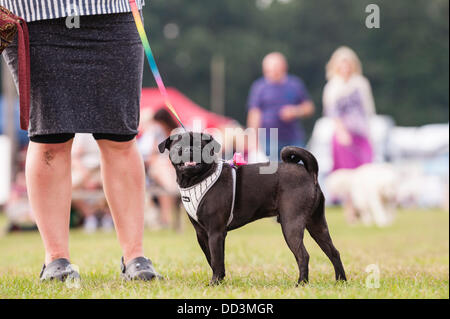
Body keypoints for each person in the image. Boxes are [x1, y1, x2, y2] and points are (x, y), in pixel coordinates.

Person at [1, 0, 161, 281]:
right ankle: (55, 259)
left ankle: (135, 257)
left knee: (119, 137)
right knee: (49, 137)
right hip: (33, 16)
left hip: (114, 14)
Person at [246, 52, 315, 159]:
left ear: (284, 67)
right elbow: (254, 114)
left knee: (297, 172)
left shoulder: (295, 84)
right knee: (272, 173)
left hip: (293, 139)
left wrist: (295, 111)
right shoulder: (259, 87)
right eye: (268, 69)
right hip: (268, 140)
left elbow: (309, 108)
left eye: (275, 68)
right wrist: (253, 140)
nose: (271, 72)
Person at [323, 46, 375, 171]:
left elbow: (368, 109)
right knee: (346, 169)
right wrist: (342, 132)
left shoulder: (361, 83)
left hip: (361, 131)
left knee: (366, 165)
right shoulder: (332, 86)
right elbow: (332, 112)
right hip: (343, 134)